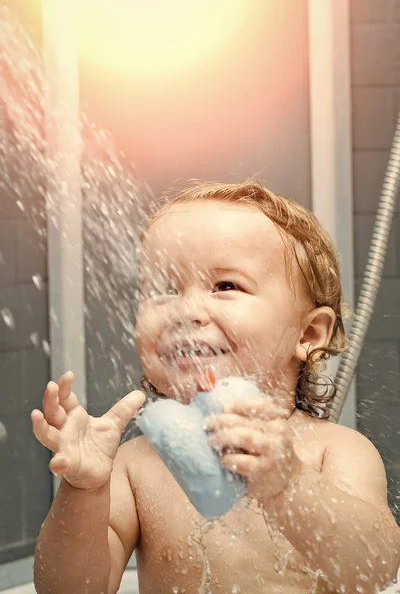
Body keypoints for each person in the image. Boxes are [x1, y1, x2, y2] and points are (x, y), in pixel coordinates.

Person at [32, 181, 400, 594]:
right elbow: (71, 589)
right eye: (164, 289)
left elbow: (373, 570)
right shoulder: (134, 466)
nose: (185, 311)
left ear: (310, 333)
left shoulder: (332, 451)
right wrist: (83, 491)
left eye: (227, 286)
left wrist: (290, 487)